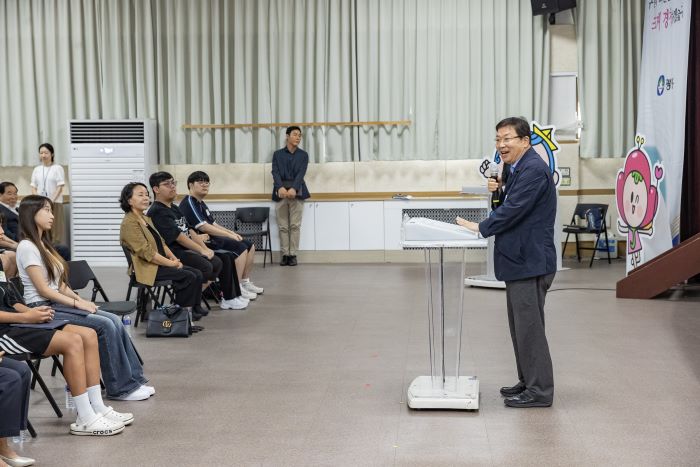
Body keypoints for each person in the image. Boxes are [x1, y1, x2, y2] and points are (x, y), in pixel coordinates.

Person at [456, 116, 557, 408]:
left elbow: (514, 210)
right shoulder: (515, 168)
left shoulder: (534, 171)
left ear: (525, 141)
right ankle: (528, 381)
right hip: (519, 261)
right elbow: (506, 202)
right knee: (519, 327)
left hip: (531, 261)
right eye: (498, 139)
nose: (501, 145)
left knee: (530, 329)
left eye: (507, 139)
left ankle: (540, 391)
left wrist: (481, 227)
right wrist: (496, 190)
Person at [15, 195, 154, 401]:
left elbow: (60, 284)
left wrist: (80, 300)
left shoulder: (44, 245)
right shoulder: (27, 247)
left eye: (51, 210)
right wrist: (75, 303)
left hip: (56, 302)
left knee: (113, 320)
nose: (52, 216)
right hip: (42, 308)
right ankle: (120, 388)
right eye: (46, 210)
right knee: (104, 325)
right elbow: (44, 290)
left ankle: (133, 380)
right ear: (30, 214)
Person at [0, 262, 130, 437]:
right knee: (72, 342)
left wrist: (34, 314)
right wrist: (25, 317)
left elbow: (10, 300)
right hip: (5, 332)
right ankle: (85, 417)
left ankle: (96, 406)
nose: (2, 232)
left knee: (88, 335)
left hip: (18, 321)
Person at [147, 172, 249, 311]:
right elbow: (179, 237)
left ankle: (226, 298)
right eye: (167, 184)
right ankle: (187, 303)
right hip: (173, 252)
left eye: (173, 183)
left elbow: (190, 231)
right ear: (156, 189)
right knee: (207, 265)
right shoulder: (158, 211)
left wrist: (204, 249)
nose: (172, 187)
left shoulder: (174, 208)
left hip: (185, 249)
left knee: (224, 258)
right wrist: (201, 250)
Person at [119, 182, 208, 324]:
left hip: (159, 265)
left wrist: (174, 258)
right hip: (146, 268)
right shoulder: (129, 223)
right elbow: (147, 253)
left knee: (196, 273)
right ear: (129, 200)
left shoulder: (145, 218)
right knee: (188, 276)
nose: (145, 198)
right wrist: (172, 264)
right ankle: (181, 319)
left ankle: (186, 315)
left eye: (147, 195)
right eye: (140, 195)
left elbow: (161, 242)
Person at [179, 171, 264, 299]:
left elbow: (213, 223)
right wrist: (228, 236)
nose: (205, 185)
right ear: (190, 185)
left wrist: (231, 232)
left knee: (249, 245)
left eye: (207, 182)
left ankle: (244, 282)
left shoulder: (200, 203)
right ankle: (237, 288)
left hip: (211, 238)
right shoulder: (189, 202)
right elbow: (203, 227)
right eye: (200, 182)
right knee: (240, 248)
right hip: (201, 242)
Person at [271, 126, 310, 266]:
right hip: (280, 192)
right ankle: (285, 255)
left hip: (297, 192)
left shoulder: (303, 155)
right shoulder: (277, 154)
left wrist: (294, 188)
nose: (298, 137)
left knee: (295, 226)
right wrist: (280, 187)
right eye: (295, 134)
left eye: (300, 135)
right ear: (287, 136)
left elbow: (301, 173)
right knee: (283, 226)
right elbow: (275, 172)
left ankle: (293, 254)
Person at [30, 144, 66, 245]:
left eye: (46, 153)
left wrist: (50, 201)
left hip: (55, 203)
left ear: (52, 154)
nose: (43, 155)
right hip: (40, 205)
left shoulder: (57, 168)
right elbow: (33, 186)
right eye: (41, 153)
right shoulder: (37, 169)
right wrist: (38, 201)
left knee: (56, 230)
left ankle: (57, 253)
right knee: (43, 230)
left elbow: (60, 186)